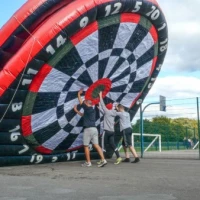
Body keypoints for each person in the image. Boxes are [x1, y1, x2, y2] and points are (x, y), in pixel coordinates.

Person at [74, 89, 107, 167]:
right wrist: (77, 111)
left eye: (85, 102)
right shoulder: (92, 110)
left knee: (86, 146)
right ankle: (103, 160)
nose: (84, 102)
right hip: (94, 129)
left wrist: (78, 94)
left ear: (87, 104)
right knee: (96, 145)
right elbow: (83, 115)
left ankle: (88, 162)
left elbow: (81, 102)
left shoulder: (87, 108)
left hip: (88, 129)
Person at [98, 91, 122, 165]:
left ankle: (103, 159)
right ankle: (118, 157)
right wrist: (99, 108)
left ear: (107, 108)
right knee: (113, 144)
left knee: (103, 145)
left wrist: (100, 96)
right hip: (112, 131)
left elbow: (102, 105)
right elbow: (104, 113)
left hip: (106, 131)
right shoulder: (113, 113)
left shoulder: (107, 111)